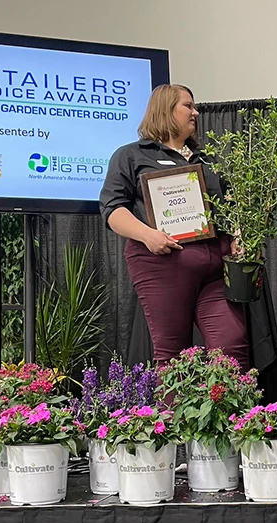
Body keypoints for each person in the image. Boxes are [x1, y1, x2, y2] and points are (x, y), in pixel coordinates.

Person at [99, 84, 249, 370]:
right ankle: (171, 415)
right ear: (165, 110)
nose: (196, 112)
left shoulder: (209, 159)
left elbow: (231, 208)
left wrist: (238, 237)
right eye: (188, 106)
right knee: (173, 352)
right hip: (162, 263)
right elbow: (112, 210)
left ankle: (235, 413)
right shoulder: (132, 155)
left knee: (232, 343)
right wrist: (148, 235)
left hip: (216, 269)